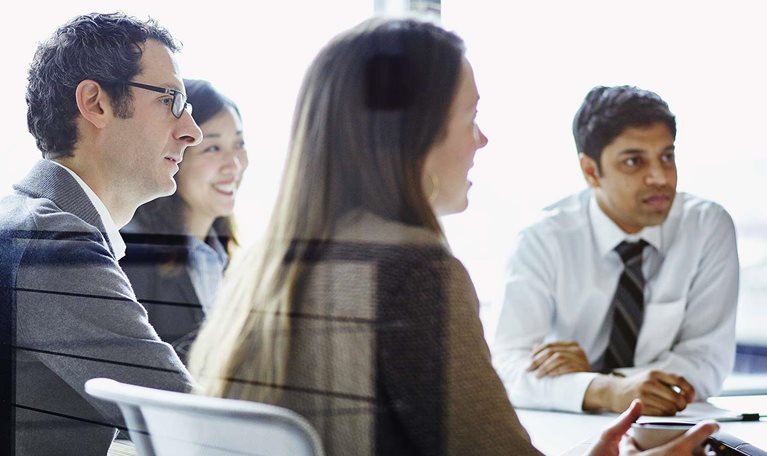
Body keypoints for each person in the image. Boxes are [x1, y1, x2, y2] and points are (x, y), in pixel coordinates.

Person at [188, 19, 717, 455]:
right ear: (411, 133)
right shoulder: (413, 273)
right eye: (471, 117)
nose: (481, 139)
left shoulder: (264, 267)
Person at [0, 12, 201, 455]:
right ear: (95, 103)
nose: (191, 131)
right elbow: (187, 426)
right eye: (171, 100)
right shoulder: (52, 245)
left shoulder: (23, 222)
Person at [491, 85, 739, 416]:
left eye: (667, 156)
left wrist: (604, 384)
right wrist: (605, 390)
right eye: (634, 161)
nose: (660, 177)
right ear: (591, 171)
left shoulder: (707, 227)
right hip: (566, 430)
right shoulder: (542, 239)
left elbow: (706, 361)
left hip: (669, 427)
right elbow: (507, 367)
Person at [120, 79, 247, 363]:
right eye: (213, 149)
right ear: (175, 157)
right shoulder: (133, 255)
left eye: (238, 144)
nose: (234, 164)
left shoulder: (221, 258)